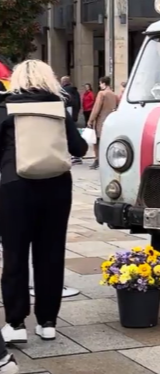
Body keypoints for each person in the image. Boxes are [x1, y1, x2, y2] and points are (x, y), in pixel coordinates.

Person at [0, 60, 88, 344]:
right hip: (57, 186)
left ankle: (15, 323)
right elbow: (80, 148)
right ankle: (47, 322)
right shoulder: (58, 108)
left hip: (15, 187)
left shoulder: (5, 108)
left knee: (14, 254)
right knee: (50, 254)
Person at [87, 76, 118, 170]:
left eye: (100, 83)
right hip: (111, 120)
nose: (100, 85)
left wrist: (91, 120)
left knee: (96, 141)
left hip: (101, 120)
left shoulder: (102, 94)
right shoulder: (114, 95)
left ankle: (97, 160)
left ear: (104, 83)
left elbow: (96, 108)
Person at [61, 76, 83, 165]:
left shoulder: (64, 91)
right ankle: (76, 157)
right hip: (74, 114)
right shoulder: (75, 91)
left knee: (66, 135)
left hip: (66, 115)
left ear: (63, 82)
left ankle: (72, 156)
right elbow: (78, 103)